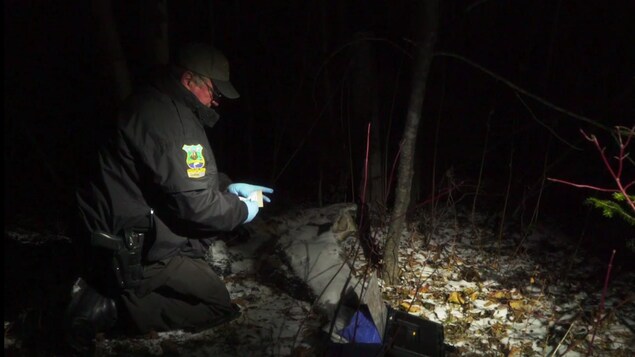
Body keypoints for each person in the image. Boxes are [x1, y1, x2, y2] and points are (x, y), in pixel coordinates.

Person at [64, 42, 274, 354]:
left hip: (120, 230)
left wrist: (227, 186)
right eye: (214, 93)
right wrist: (242, 210)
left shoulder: (152, 102)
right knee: (216, 304)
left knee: (202, 276)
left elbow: (173, 178)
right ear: (190, 81)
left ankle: (111, 286)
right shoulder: (174, 121)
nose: (216, 102)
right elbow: (195, 206)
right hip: (136, 246)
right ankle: (105, 305)